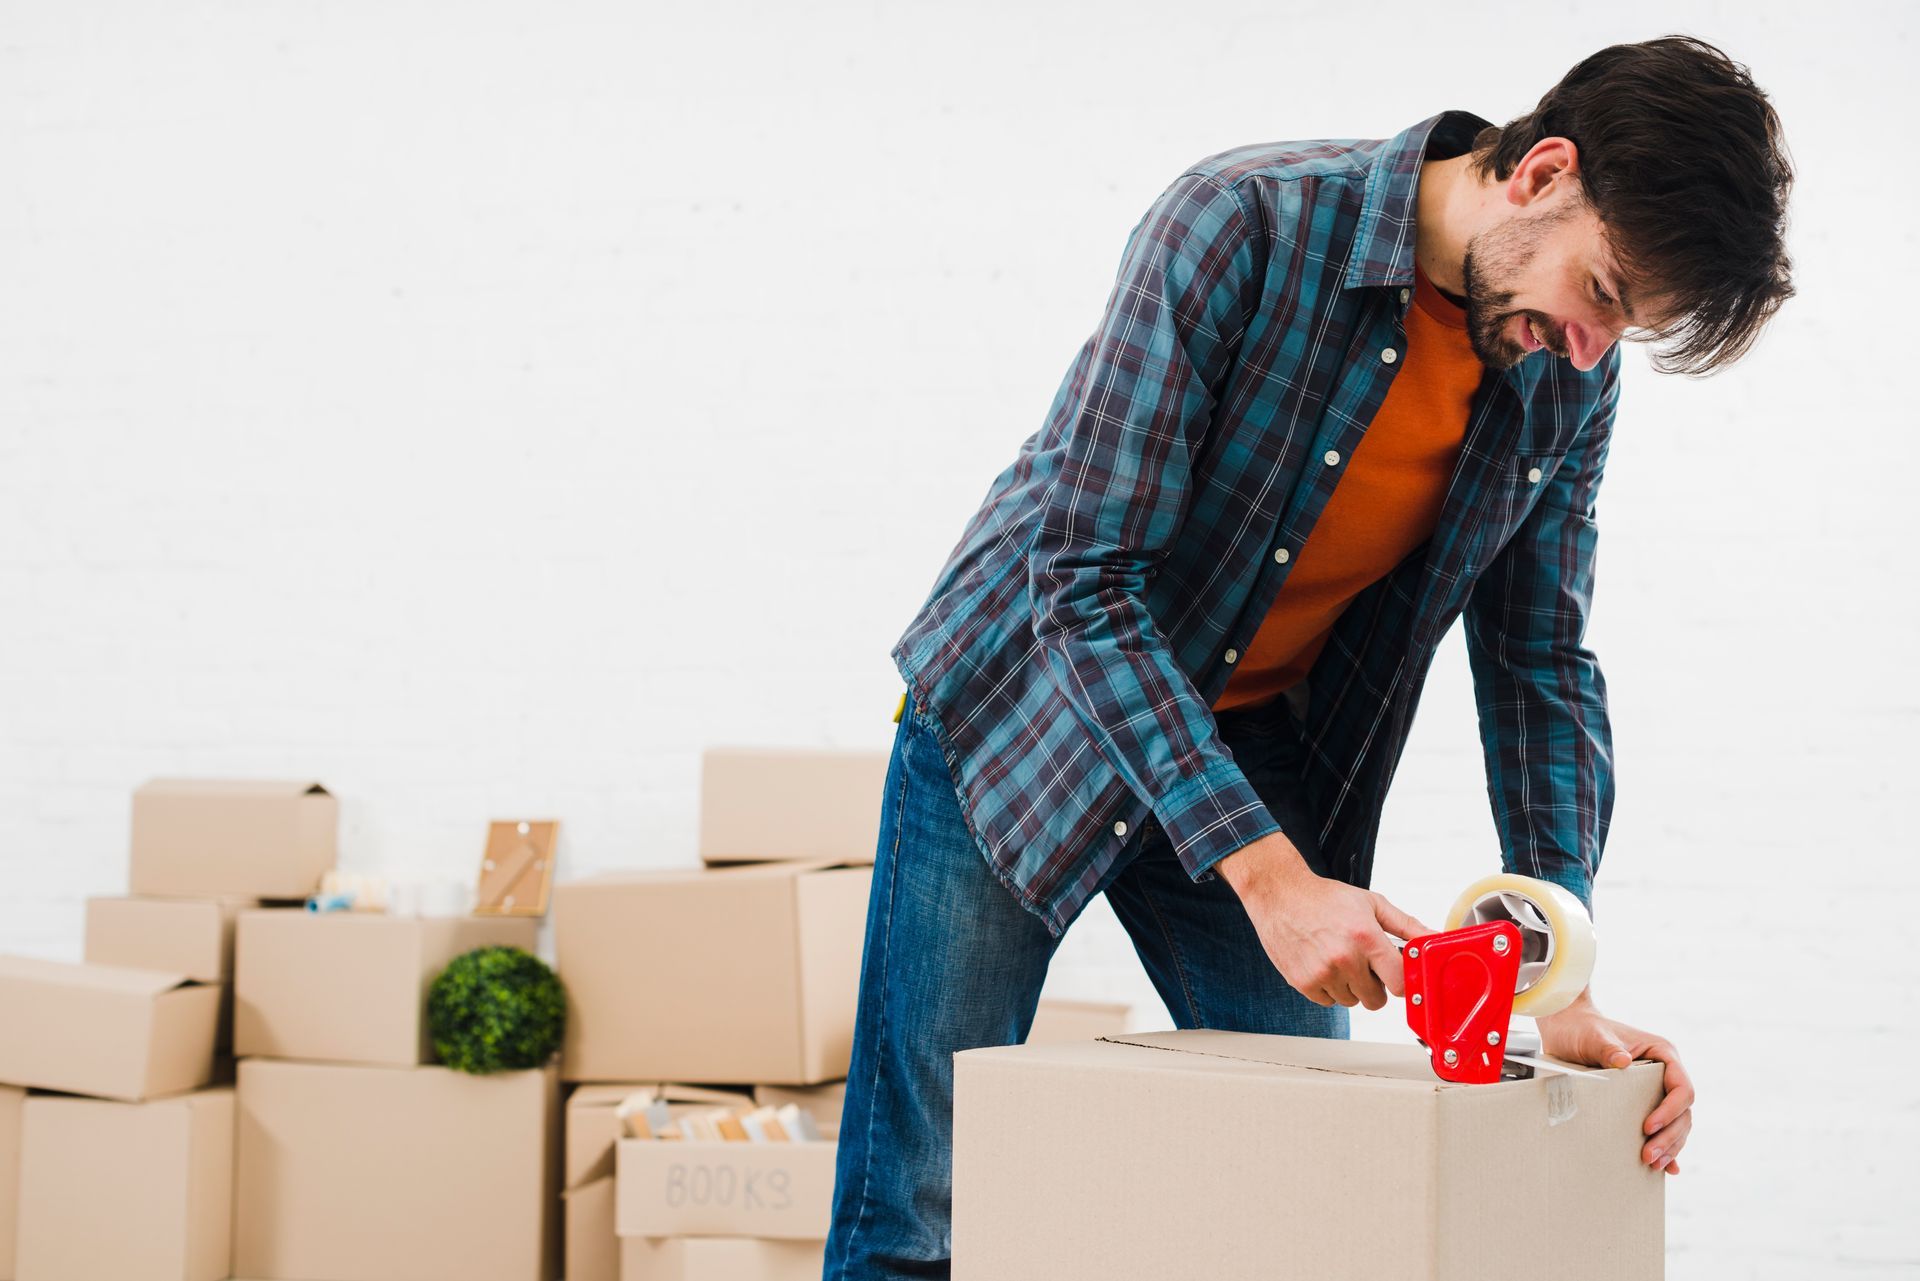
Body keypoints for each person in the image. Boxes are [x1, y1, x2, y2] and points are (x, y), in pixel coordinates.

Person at [824, 34, 1794, 1279]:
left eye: (1627, 333)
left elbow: (1541, 662)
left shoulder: (1564, 374)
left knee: (1319, 1198)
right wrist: (1275, 883)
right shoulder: (1244, 222)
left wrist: (1561, 978)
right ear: (1542, 172)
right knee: (921, 1214)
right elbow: (1082, 580)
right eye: (1603, 295)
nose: (1593, 349)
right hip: (1025, 712)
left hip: (1251, 744)